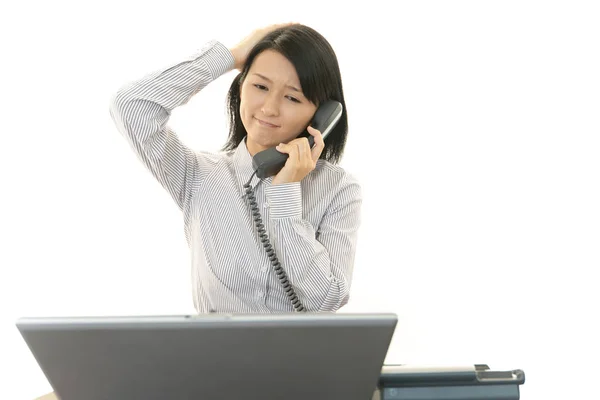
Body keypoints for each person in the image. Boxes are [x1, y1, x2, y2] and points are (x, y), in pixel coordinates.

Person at [109, 23, 362, 314]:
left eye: (292, 97)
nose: (269, 108)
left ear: (320, 114)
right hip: (215, 357)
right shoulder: (198, 174)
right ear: (240, 87)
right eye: (260, 86)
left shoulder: (339, 190)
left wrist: (284, 194)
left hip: (301, 359)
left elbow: (325, 300)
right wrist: (230, 56)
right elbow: (130, 106)